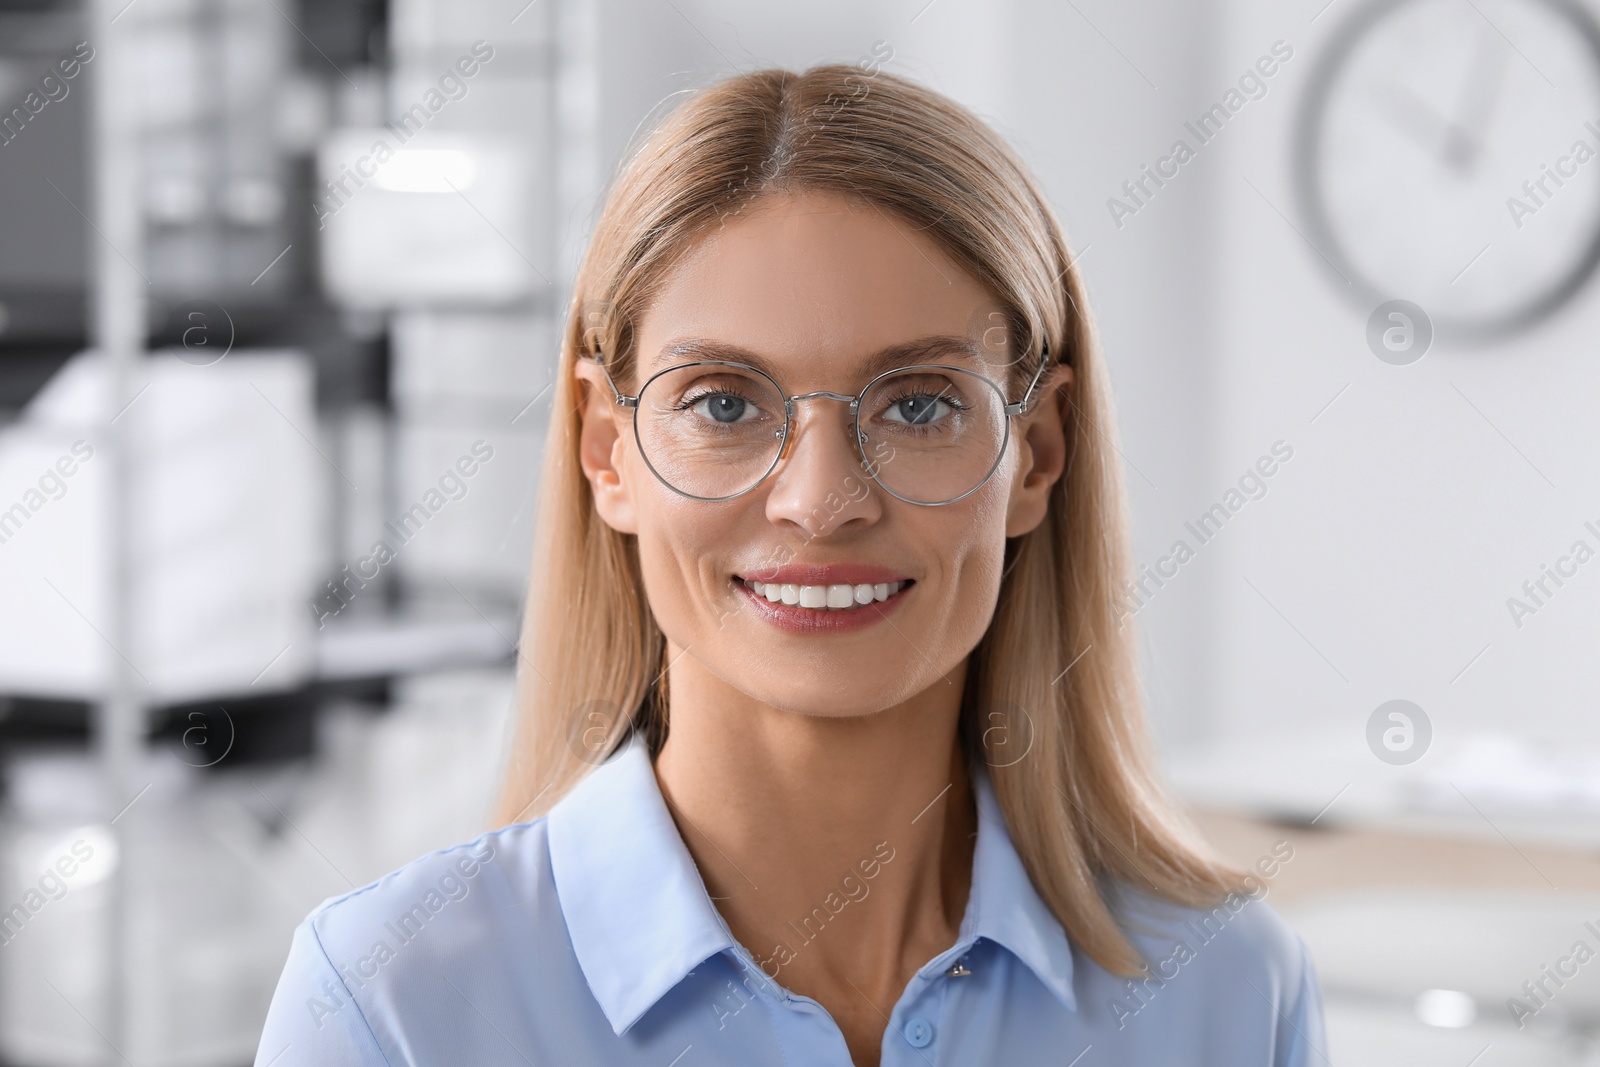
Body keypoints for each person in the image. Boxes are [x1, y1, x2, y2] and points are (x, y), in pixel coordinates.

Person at [255, 63, 1326, 1066]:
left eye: (918, 404)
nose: (820, 501)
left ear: (1036, 452)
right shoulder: (392, 1006)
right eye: (722, 402)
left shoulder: (1228, 993)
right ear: (603, 449)